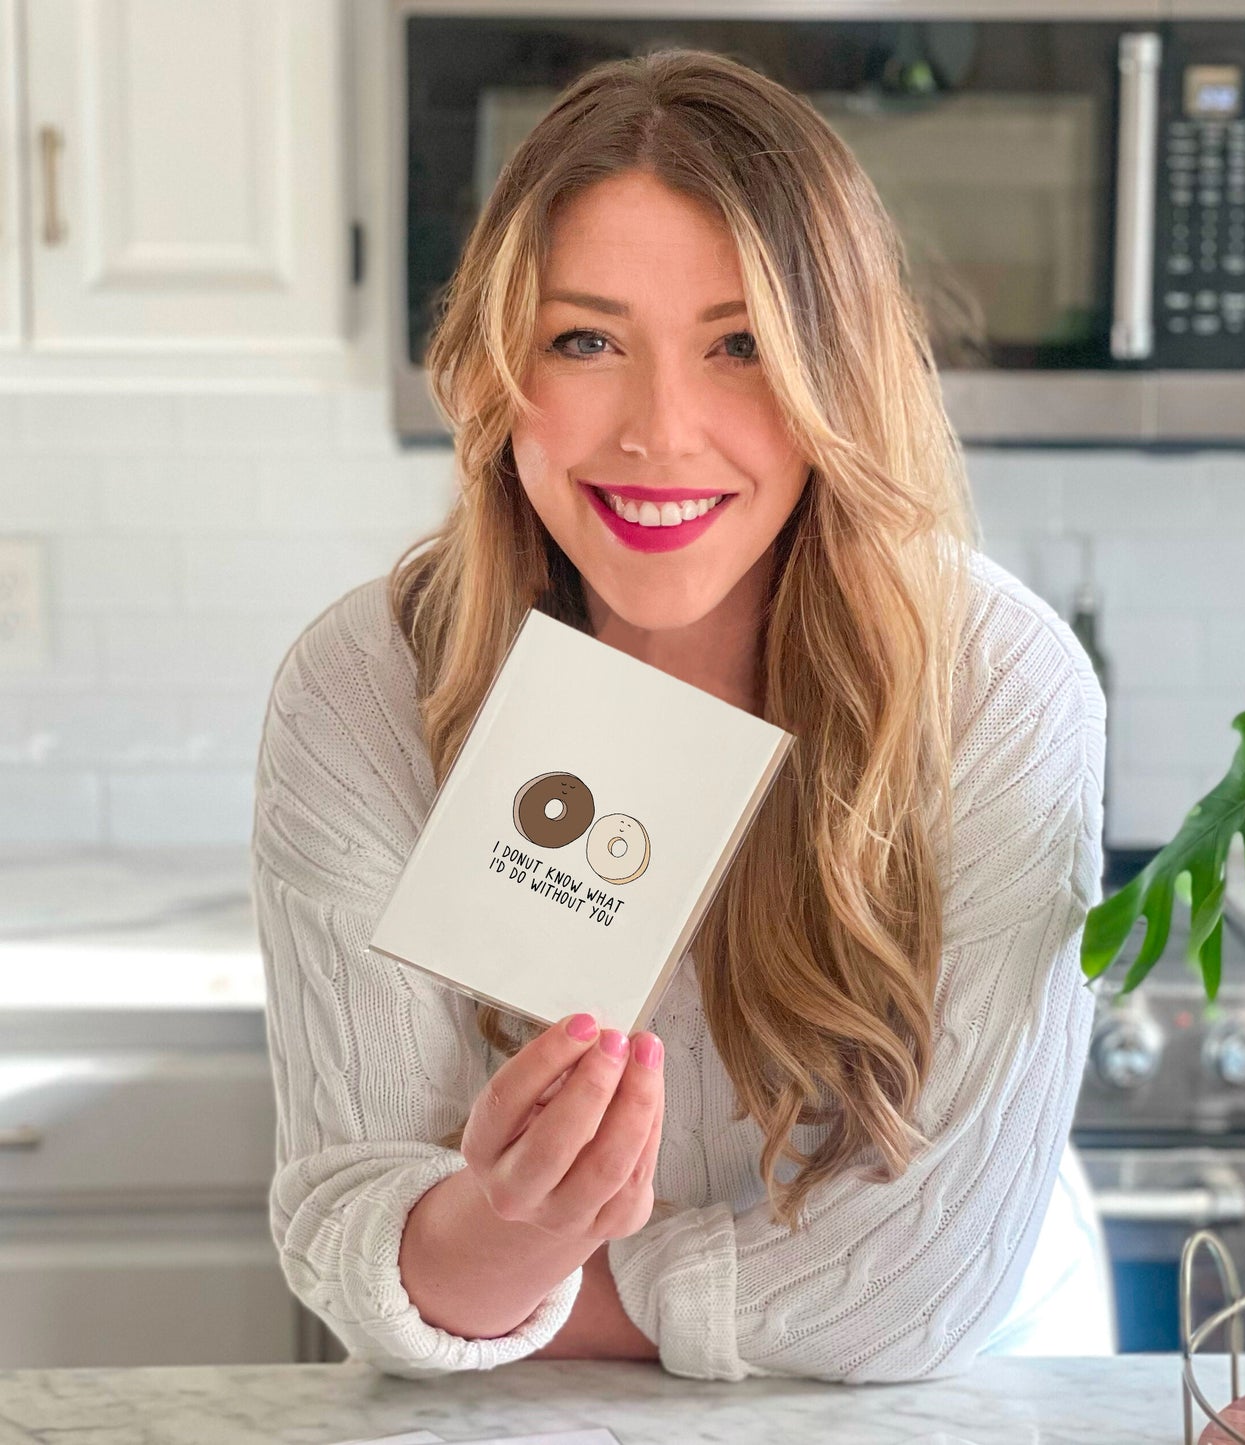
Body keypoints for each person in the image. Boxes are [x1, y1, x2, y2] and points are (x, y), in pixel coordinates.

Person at [251, 47, 1115, 1384]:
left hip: (956, 1400)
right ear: (495, 368)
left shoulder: (999, 681)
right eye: (585, 339)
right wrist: (487, 1241)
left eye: (741, 346)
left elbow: (918, 1290)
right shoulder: (364, 685)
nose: (661, 430)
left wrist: (501, 1266)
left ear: (838, 374)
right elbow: (345, 1236)